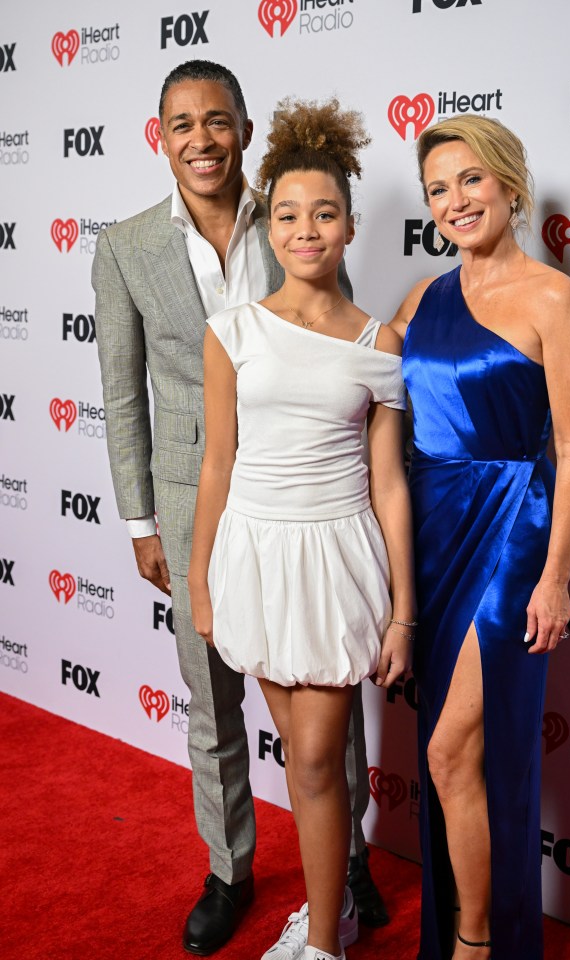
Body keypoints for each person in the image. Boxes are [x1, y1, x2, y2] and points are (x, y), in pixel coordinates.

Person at [91, 61, 387, 957]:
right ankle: (230, 869)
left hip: (304, 499)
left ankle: (351, 864)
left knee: (324, 704)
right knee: (212, 698)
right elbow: (124, 395)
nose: (201, 139)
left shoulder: (294, 215)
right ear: (161, 137)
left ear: (246, 130)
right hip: (197, 496)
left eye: (217, 120)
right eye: (181, 124)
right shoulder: (125, 247)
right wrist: (142, 522)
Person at [187, 98, 416, 960]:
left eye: (324, 213)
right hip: (252, 549)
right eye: (287, 214)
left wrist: (403, 612)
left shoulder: (379, 341)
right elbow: (217, 463)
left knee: (318, 761)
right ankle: (331, 915)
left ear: (351, 226)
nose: (305, 229)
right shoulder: (231, 331)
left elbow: (390, 483)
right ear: (267, 224)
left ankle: (324, 941)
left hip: (334, 555)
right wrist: (202, 582)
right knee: (302, 759)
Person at [390, 114, 570, 960]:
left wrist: (556, 577)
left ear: (510, 181)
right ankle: (469, 931)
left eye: (470, 180)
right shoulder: (422, 298)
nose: (455, 201)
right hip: (434, 533)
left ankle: (477, 945)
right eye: (438, 189)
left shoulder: (556, 298)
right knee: (458, 757)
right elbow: (371, 403)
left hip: (515, 530)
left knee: (450, 751)